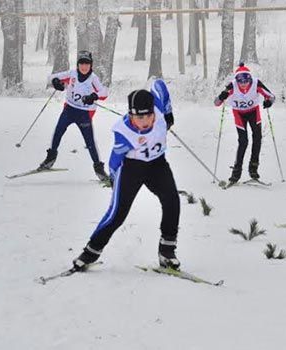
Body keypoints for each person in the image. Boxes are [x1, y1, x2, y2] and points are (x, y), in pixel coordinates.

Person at [71, 80, 181, 270]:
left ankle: (167, 251)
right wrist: (114, 178)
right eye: (139, 118)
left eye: (148, 116)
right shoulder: (123, 132)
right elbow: (115, 161)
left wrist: (169, 113)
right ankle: (90, 252)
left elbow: (159, 85)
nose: (144, 122)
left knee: (172, 201)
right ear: (130, 115)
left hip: (157, 165)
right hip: (132, 168)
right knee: (117, 214)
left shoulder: (159, 110)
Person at [39, 50, 109, 182]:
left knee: (90, 142)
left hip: (84, 114)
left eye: (87, 64)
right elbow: (52, 77)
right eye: (82, 63)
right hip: (69, 110)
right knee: (58, 131)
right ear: (78, 64)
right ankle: (50, 159)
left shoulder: (93, 78)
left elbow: (104, 92)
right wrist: (56, 83)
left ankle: (99, 169)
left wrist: (94, 96)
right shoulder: (72, 74)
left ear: (91, 65)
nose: (84, 66)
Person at [214, 63, 275, 185]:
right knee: (243, 141)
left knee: (257, 138)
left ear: (250, 79)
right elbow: (216, 103)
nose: (243, 84)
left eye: (246, 80)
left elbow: (271, 96)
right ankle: (235, 174)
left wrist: (269, 102)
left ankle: (253, 170)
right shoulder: (232, 86)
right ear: (236, 80)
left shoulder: (256, 83)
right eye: (240, 81)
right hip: (239, 114)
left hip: (253, 113)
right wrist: (222, 96)